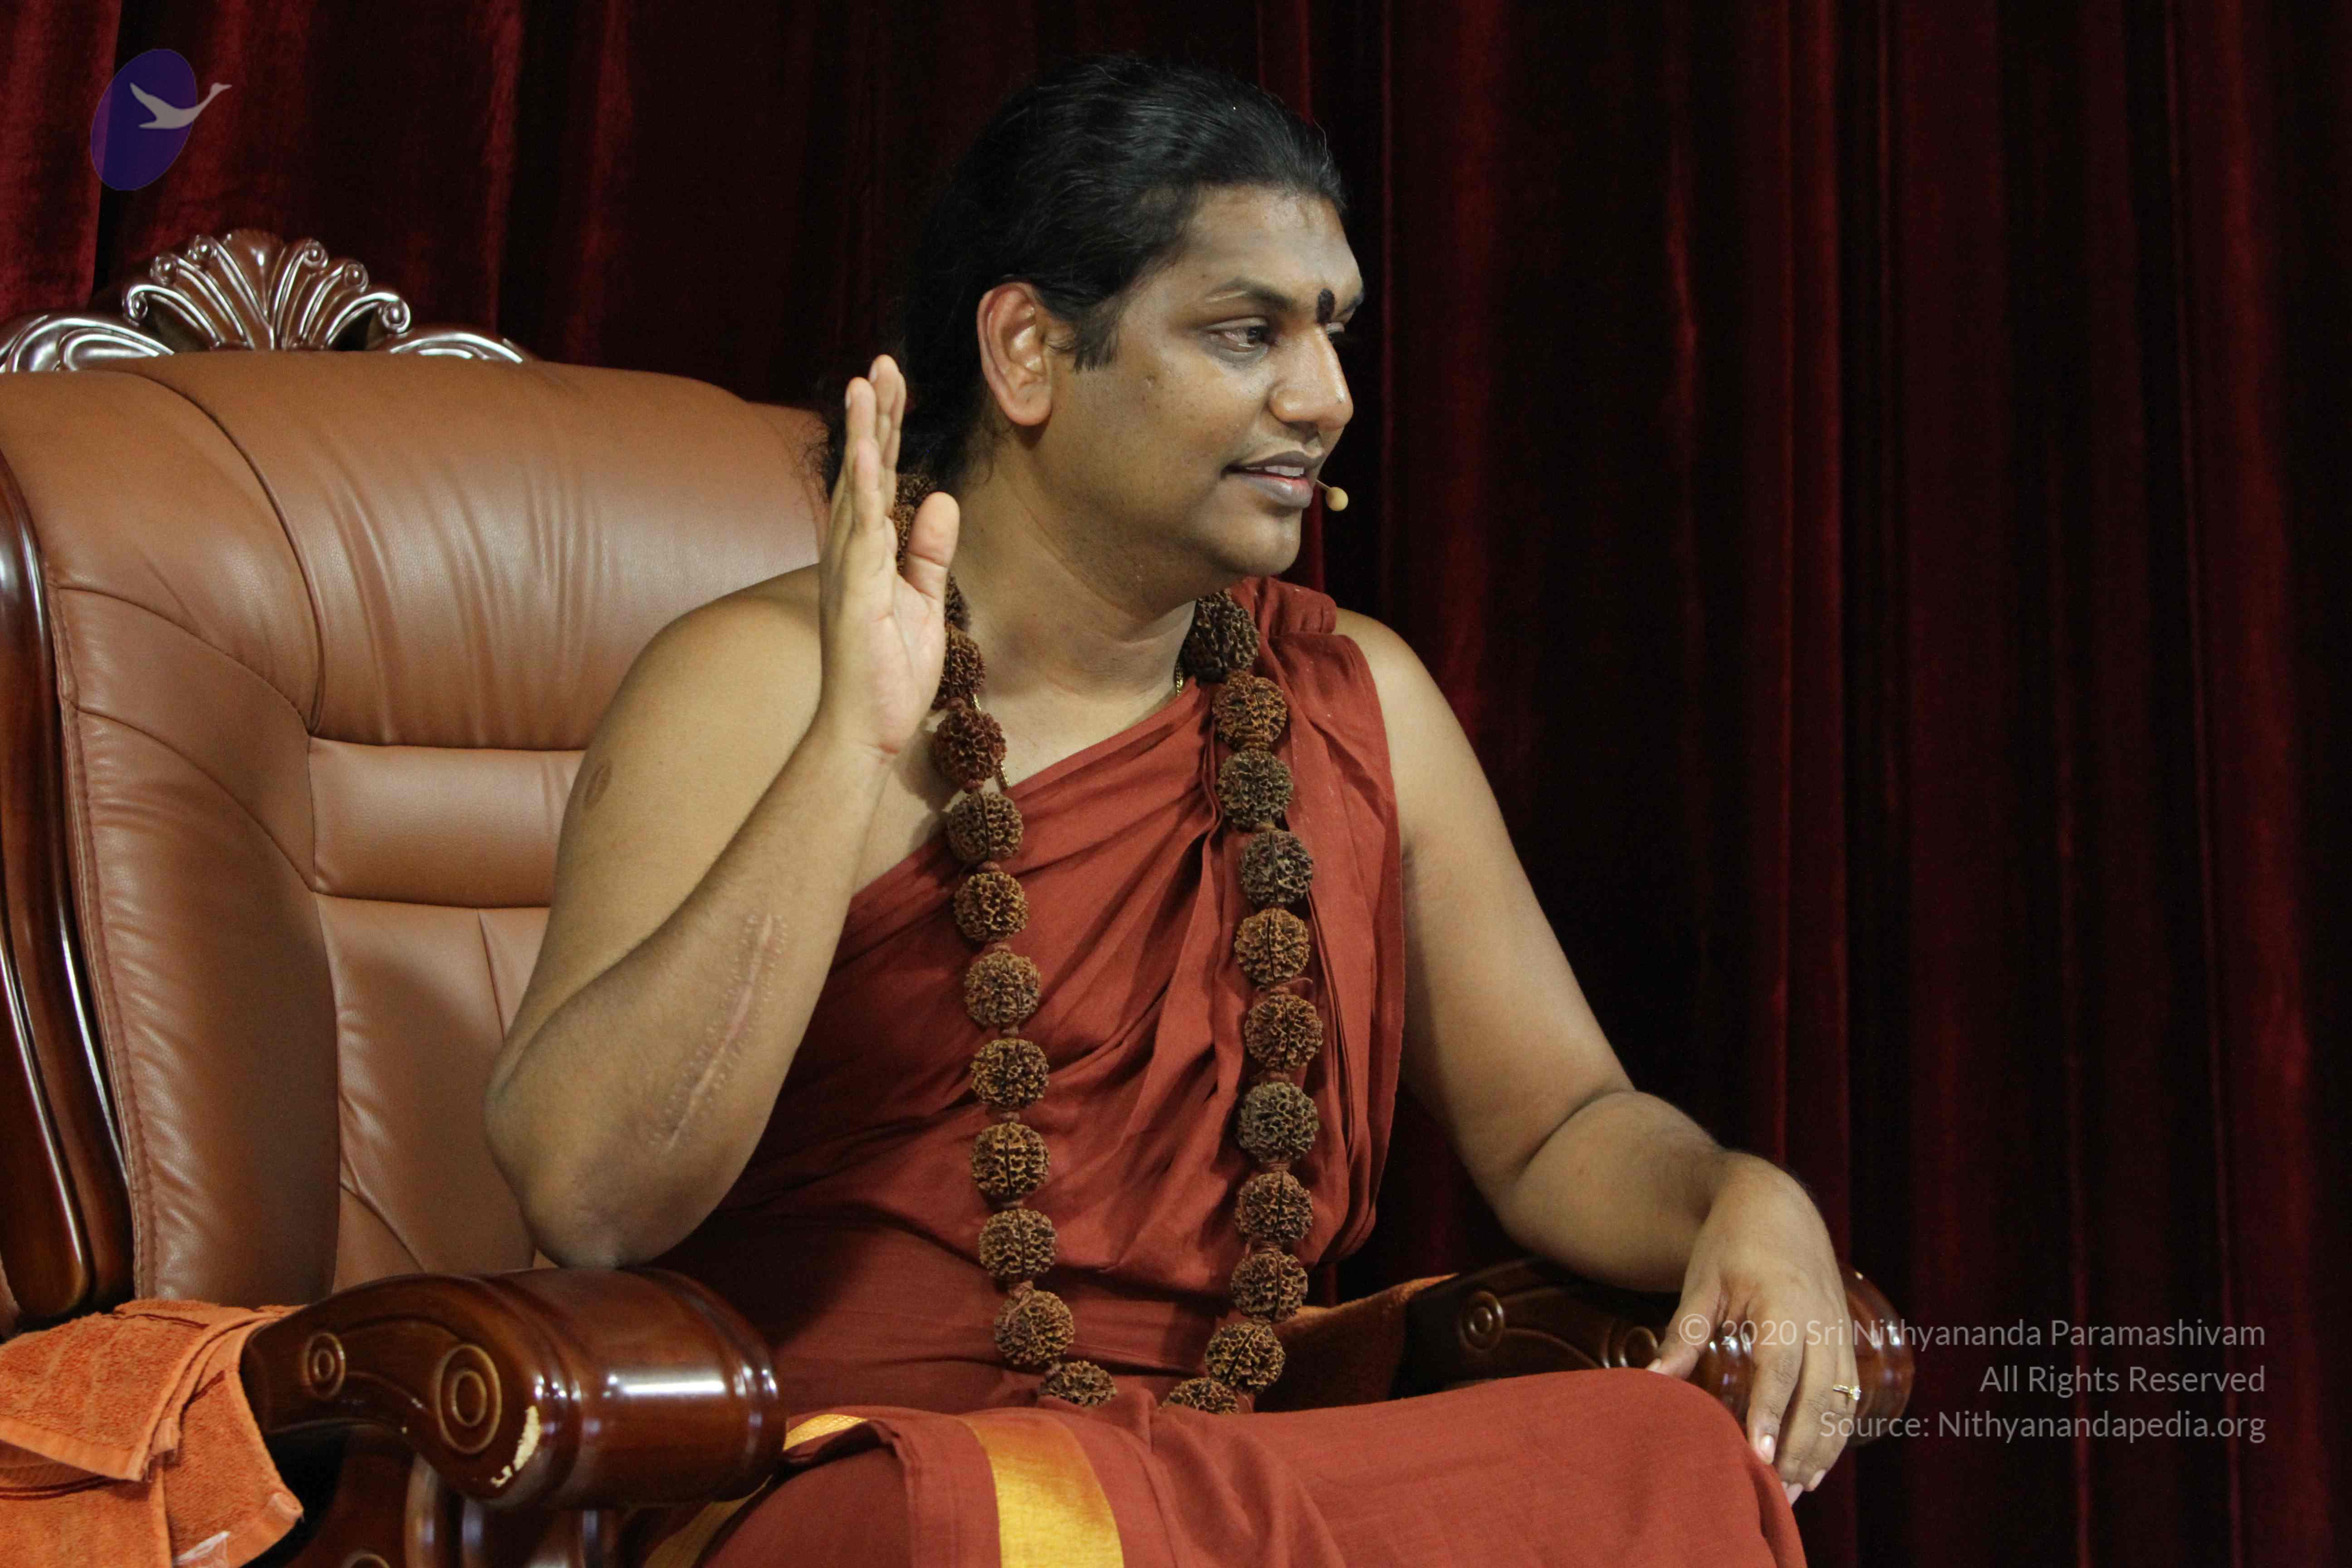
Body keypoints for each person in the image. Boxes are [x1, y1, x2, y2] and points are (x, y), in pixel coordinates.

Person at [483, 52, 1848, 1566]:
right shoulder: (752, 682)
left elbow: (1560, 1127)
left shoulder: (1358, 700)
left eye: (1331, 331)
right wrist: (846, 747)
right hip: (862, 1483)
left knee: (1660, 1450)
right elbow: (591, 1199)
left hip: (1221, 1475)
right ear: (1028, 351)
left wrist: (1741, 1196)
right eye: (1245, 331)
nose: (1325, 399)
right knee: (965, 1524)